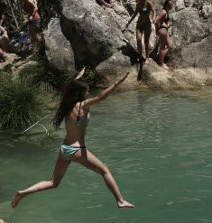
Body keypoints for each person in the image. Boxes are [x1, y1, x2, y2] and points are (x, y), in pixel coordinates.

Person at [11, 68, 134, 209]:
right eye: (86, 90)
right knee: (105, 171)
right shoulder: (83, 106)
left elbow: (71, 87)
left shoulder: (66, 105)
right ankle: (120, 200)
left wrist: (79, 76)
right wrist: (118, 83)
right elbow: (101, 97)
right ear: (81, 92)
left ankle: (24, 192)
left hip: (64, 149)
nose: (88, 92)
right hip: (77, 150)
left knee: (53, 182)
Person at [124, 0, 155, 64]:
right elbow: (135, 14)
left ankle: (147, 57)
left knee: (146, 41)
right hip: (139, 24)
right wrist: (129, 22)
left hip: (147, 24)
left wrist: (153, 18)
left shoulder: (148, 3)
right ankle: (140, 56)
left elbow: (154, 11)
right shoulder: (138, 4)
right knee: (138, 39)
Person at [154, 0, 174, 69]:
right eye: (169, 5)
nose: (170, 6)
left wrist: (168, 24)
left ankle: (160, 59)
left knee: (169, 45)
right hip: (162, 30)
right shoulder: (164, 12)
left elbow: (163, 21)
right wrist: (156, 31)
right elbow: (156, 21)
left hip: (164, 29)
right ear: (165, 5)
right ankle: (161, 63)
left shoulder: (166, 12)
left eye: (171, 5)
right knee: (162, 47)